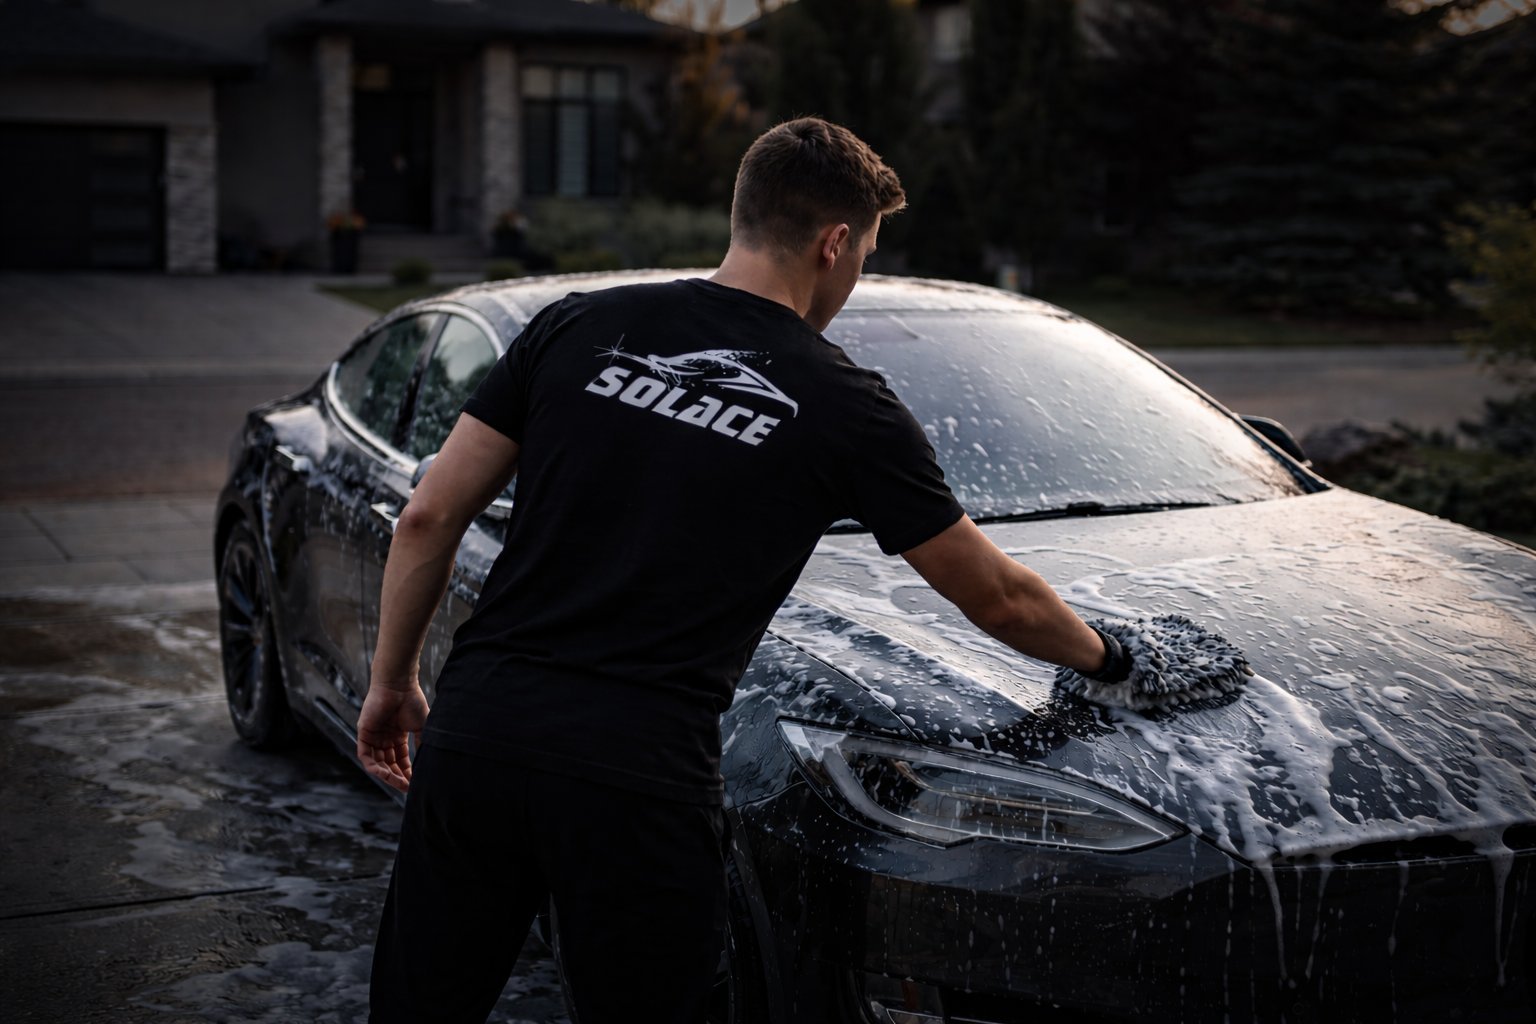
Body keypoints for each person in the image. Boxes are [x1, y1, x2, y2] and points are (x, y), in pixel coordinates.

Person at [358, 117, 1126, 1024]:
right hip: (635, 777)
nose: (856, 276)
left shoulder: (576, 326)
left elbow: (428, 516)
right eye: (865, 254)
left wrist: (393, 682)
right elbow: (996, 596)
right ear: (834, 243)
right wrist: (1112, 661)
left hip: (479, 734)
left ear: (744, 212)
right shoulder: (845, 404)